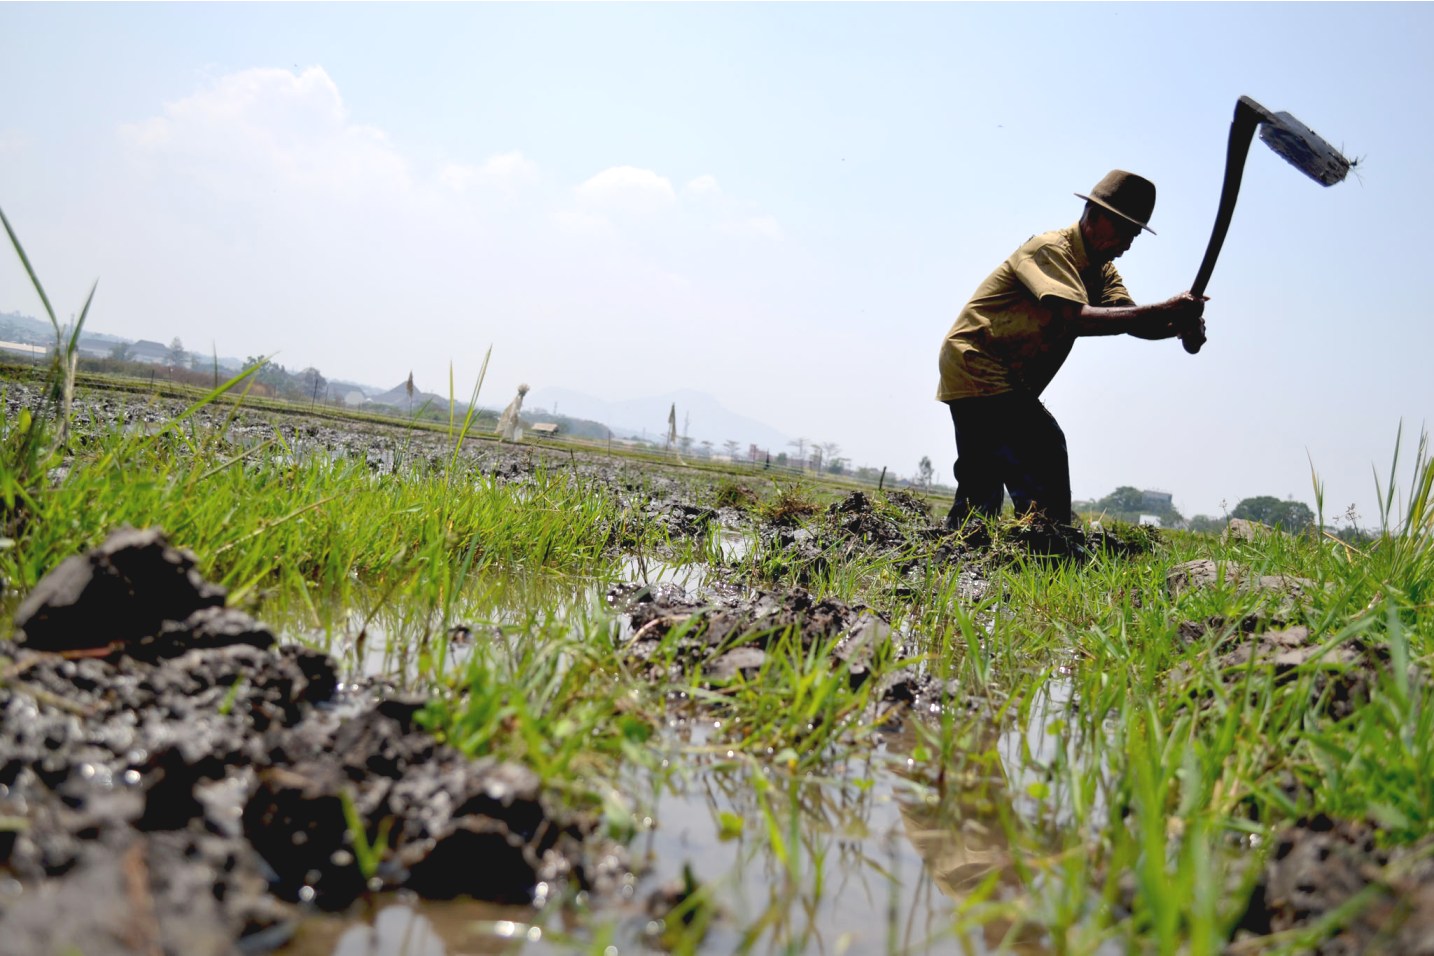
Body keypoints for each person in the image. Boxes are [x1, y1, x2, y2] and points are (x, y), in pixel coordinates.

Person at [935, 169, 1206, 531]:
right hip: (978, 360)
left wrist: (1180, 326)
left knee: (982, 477)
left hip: (1003, 374)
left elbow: (1129, 319)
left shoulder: (1102, 271)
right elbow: (1073, 317)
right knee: (1042, 447)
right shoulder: (1050, 249)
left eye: (1135, 234)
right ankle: (1048, 546)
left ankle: (962, 552)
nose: (1128, 242)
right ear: (1094, 216)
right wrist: (1164, 311)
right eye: (1123, 229)